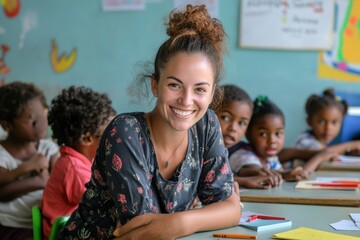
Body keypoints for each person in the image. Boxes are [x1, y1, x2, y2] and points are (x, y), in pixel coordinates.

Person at [59, 4, 240, 239]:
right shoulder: (126, 132)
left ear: (212, 92)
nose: (186, 100)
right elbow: (144, 229)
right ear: (156, 84)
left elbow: (230, 210)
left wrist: (181, 223)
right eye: (174, 85)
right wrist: (208, 214)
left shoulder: (206, 125)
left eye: (200, 89)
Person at [41, 86, 116, 239]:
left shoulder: (80, 160)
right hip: (64, 233)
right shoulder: (74, 168)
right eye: (110, 134)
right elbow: (100, 203)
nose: (115, 140)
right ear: (87, 139)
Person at [0, 81, 59, 240]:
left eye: (44, 116)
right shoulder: (2, 152)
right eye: (32, 121)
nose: (42, 125)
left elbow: (59, 179)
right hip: (11, 226)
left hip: (45, 224)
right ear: (7, 125)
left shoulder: (48, 148)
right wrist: (29, 170)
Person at [230, 96, 332, 181]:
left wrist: (318, 157)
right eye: (263, 134)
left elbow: (297, 157)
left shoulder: (271, 157)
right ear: (248, 134)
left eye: (278, 133)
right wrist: (286, 174)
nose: (272, 140)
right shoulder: (242, 154)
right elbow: (257, 173)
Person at [216, 84, 279, 188]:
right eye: (225, 118)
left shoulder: (223, 150)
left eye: (241, 123)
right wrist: (243, 181)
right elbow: (204, 180)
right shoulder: (200, 147)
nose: (233, 128)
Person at [292, 88, 360, 167]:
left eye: (334, 122)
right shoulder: (304, 140)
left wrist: (350, 152)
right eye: (322, 122)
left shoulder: (323, 143)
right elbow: (319, 155)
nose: (328, 128)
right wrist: (352, 145)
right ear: (310, 121)